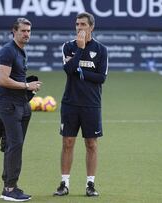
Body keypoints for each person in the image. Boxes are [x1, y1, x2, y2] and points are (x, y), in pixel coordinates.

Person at [53, 12, 108, 197]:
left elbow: (101, 78)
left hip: (91, 104)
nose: (79, 28)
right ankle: (64, 183)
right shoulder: (68, 47)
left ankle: (90, 184)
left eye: (83, 24)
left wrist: (81, 73)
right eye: (77, 24)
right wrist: (80, 49)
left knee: (91, 144)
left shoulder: (101, 50)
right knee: (67, 142)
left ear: (91, 27)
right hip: (70, 102)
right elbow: (68, 70)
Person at [0, 17, 42, 202]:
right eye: (23, 31)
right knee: (14, 145)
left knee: (14, 145)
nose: (26, 34)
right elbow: (2, 80)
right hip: (9, 105)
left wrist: (28, 86)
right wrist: (26, 86)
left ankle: (10, 185)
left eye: (29, 31)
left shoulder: (20, 51)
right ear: (14, 31)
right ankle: (9, 188)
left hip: (21, 105)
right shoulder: (8, 51)